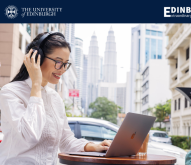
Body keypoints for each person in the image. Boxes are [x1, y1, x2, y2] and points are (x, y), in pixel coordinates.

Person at [0, 32, 111, 165]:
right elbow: (30, 135)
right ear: (38, 58)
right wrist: (36, 83)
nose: (63, 69)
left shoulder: (55, 99)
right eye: (58, 62)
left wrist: (94, 146)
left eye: (66, 64)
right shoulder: (11, 92)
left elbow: (65, 140)